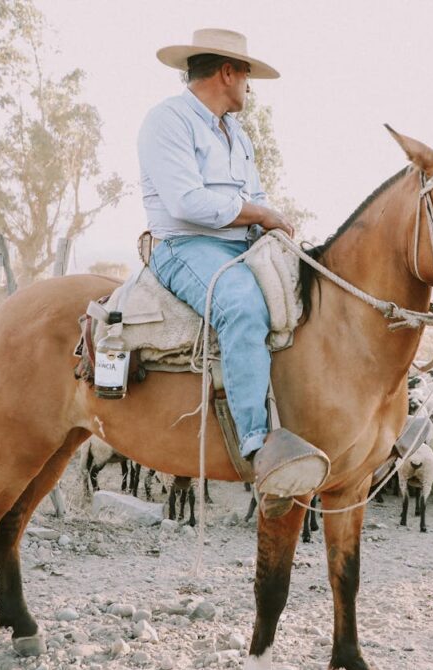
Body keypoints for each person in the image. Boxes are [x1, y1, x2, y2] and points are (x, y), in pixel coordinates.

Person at [138, 28, 327, 514]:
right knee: (243, 307)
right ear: (227, 72)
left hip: (242, 244)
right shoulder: (168, 121)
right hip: (185, 245)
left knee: (313, 297)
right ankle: (257, 446)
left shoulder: (237, 135)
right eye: (245, 74)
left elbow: (257, 197)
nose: (248, 84)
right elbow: (186, 202)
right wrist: (260, 215)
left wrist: (273, 225)